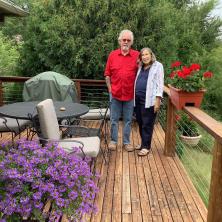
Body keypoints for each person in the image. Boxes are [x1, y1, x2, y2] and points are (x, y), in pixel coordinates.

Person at [104, 29, 139, 151]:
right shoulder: (112, 55)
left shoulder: (137, 55)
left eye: (128, 40)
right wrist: (110, 90)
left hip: (130, 95)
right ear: (119, 41)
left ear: (131, 42)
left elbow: (144, 70)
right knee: (113, 120)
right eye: (124, 40)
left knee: (128, 120)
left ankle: (126, 142)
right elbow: (107, 74)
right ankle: (113, 141)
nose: (126, 42)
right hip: (115, 94)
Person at [134, 47, 164, 156]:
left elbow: (160, 85)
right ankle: (143, 143)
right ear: (141, 57)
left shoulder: (158, 66)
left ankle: (146, 147)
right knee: (141, 122)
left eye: (147, 54)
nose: (145, 57)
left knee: (147, 123)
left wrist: (158, 100)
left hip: (150, 100)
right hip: (138, 99)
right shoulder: (141, 67)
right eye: (143, 55)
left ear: (151, 55)